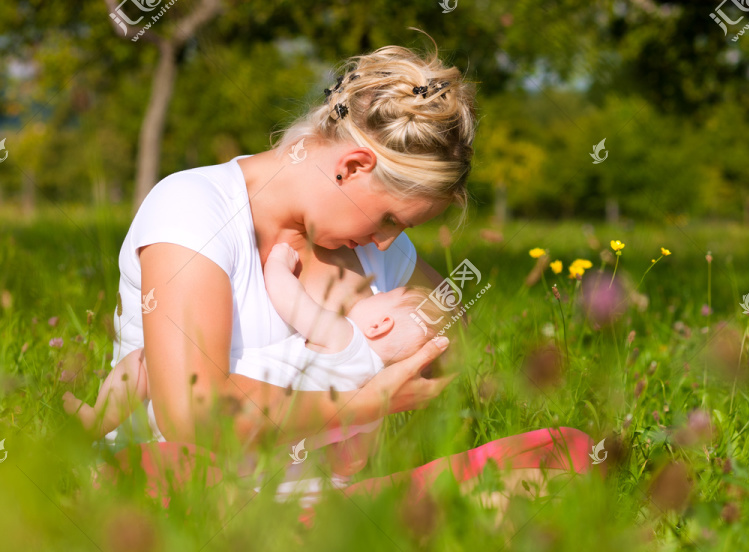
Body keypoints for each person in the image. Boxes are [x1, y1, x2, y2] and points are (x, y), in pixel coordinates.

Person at [86, 34, 476, 453]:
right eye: (389, 219)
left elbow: (455, 327)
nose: (385, 244)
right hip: (180, 486)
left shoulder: (373, 247)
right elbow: (193, 414)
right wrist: (366, 401)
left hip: (324, 500)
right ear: (354, 166)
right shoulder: (196, 207)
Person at [63, 243, 445, 476]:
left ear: (379, 324)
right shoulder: (376, 395)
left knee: (144, 359)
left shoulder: (347, 340)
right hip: (242, 450)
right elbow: (352, 462)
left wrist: (279, 263)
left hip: (201, 403)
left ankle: (97, 420)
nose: (373, 291)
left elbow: (290, 300)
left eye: (383, 296)